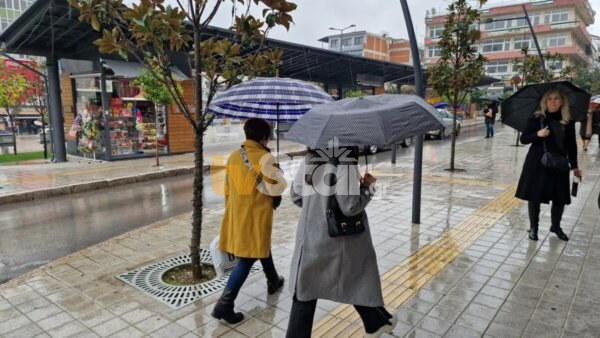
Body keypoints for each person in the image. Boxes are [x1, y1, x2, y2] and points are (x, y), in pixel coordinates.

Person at [287, 147, 396, 337]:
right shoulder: (345, 162)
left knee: (305, 290)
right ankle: (376, 321)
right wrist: (367, 187)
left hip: (309, 238)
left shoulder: (311, 158)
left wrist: (316, 207)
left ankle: (376, 320)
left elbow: (296, 195)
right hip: (336, 240)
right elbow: (350, 206)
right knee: (355, 275)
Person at [211, 118, 287, 324]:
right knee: (247, 258)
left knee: (260, 246)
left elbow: (227, 189)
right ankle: (224, 305)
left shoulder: (235, 156)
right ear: (264, 137)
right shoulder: (265, 157)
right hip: (256, 216)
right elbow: (277, 189)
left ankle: (273, 280)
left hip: (238, 214)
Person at [516, 89, 582, 241]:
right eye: (549, 99)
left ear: (562, 102)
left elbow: (572, 145)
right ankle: (533, 227)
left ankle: (556, 226)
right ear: (545, 102)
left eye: (556, 98)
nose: (553, 101)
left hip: (559, 163)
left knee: (560, 197)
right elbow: (524, 139)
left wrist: (575, 166)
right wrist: (537, 135)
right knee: (535, 196)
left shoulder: (568, 121)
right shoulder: (537, 118)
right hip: (537, 162)